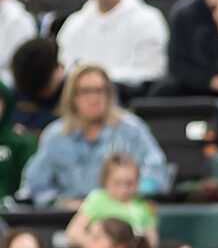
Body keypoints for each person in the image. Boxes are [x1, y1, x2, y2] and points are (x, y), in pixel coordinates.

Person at [21, 63, 167, 208]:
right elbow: (34, 185)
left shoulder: (132, 130)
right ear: (73, 97)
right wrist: (61, 203)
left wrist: (125, 194)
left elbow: (156, 172)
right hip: (68, 217)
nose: (94, 98)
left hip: (120, 214)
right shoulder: (55, 135)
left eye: (99, 91)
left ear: (109, 94)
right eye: (86, 91)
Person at [56, 0, 170, 91]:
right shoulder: (74, 23)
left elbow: (152, 70)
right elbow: (63, 67)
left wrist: (103, 81)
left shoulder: (147, 20)